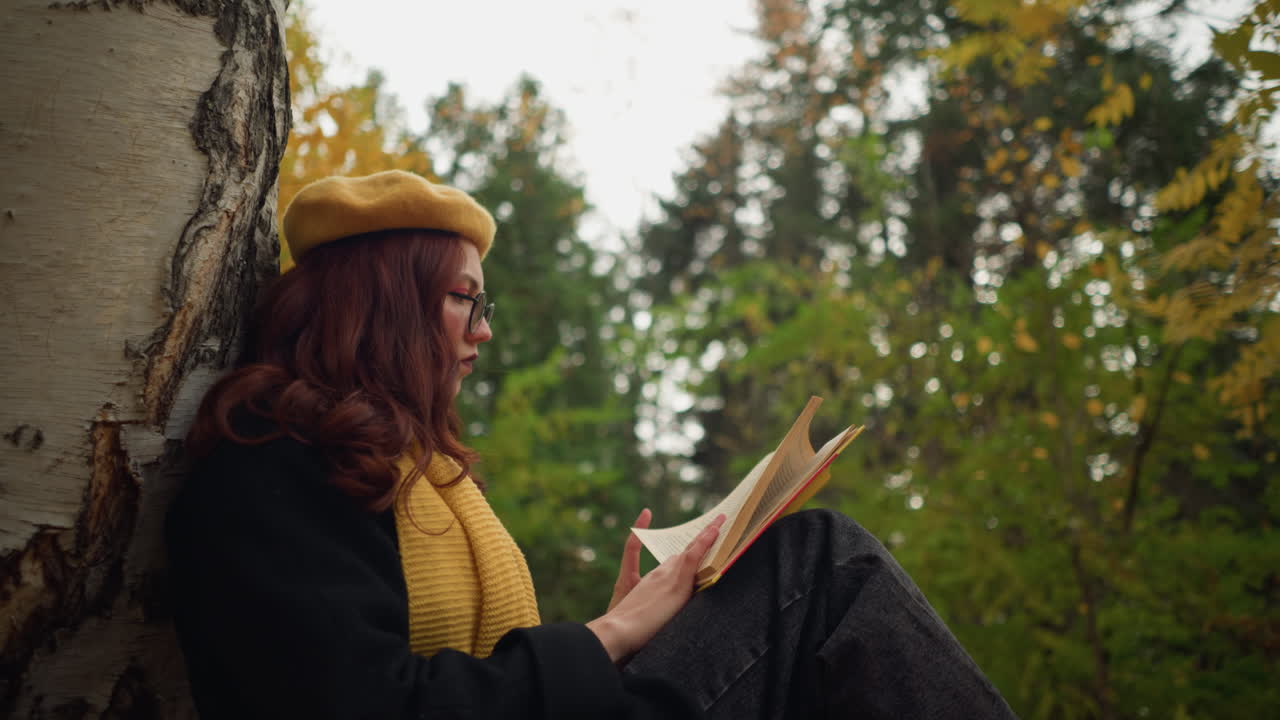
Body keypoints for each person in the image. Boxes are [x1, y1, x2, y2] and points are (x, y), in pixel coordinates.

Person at [167, 170, 1017, 719]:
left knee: (811, 573)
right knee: (821, 567)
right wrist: (604, 638)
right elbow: (367, 705)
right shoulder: (266, 470)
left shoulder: (413, 474)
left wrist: (620, 636)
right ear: (385, 303)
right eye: (467, 299)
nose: (484, 333)